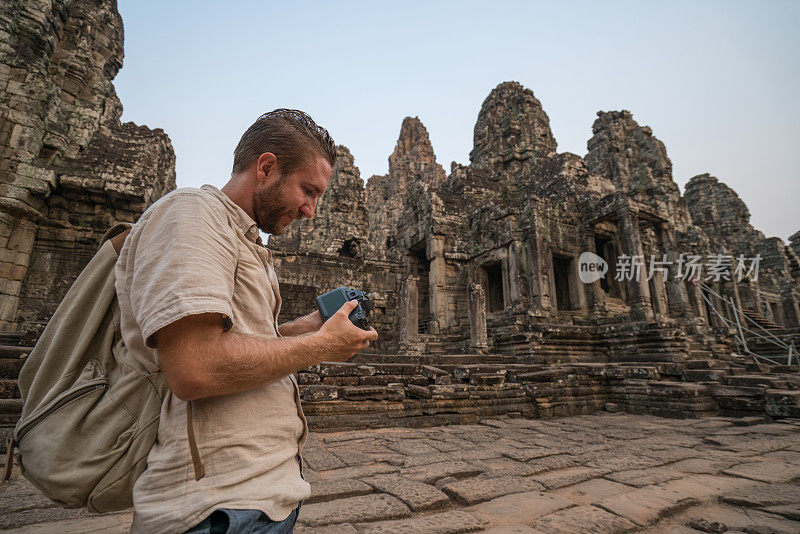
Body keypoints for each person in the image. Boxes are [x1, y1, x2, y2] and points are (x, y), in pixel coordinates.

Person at [114, 109, 378, 534]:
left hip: (259, 497)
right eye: (307, 190)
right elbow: (195, 367)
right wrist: (322, 347)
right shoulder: (192, 215)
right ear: (267, 167)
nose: (311, 210)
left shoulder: (241, 238)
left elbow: (243, 343)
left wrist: (309, 328)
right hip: (216, 509)